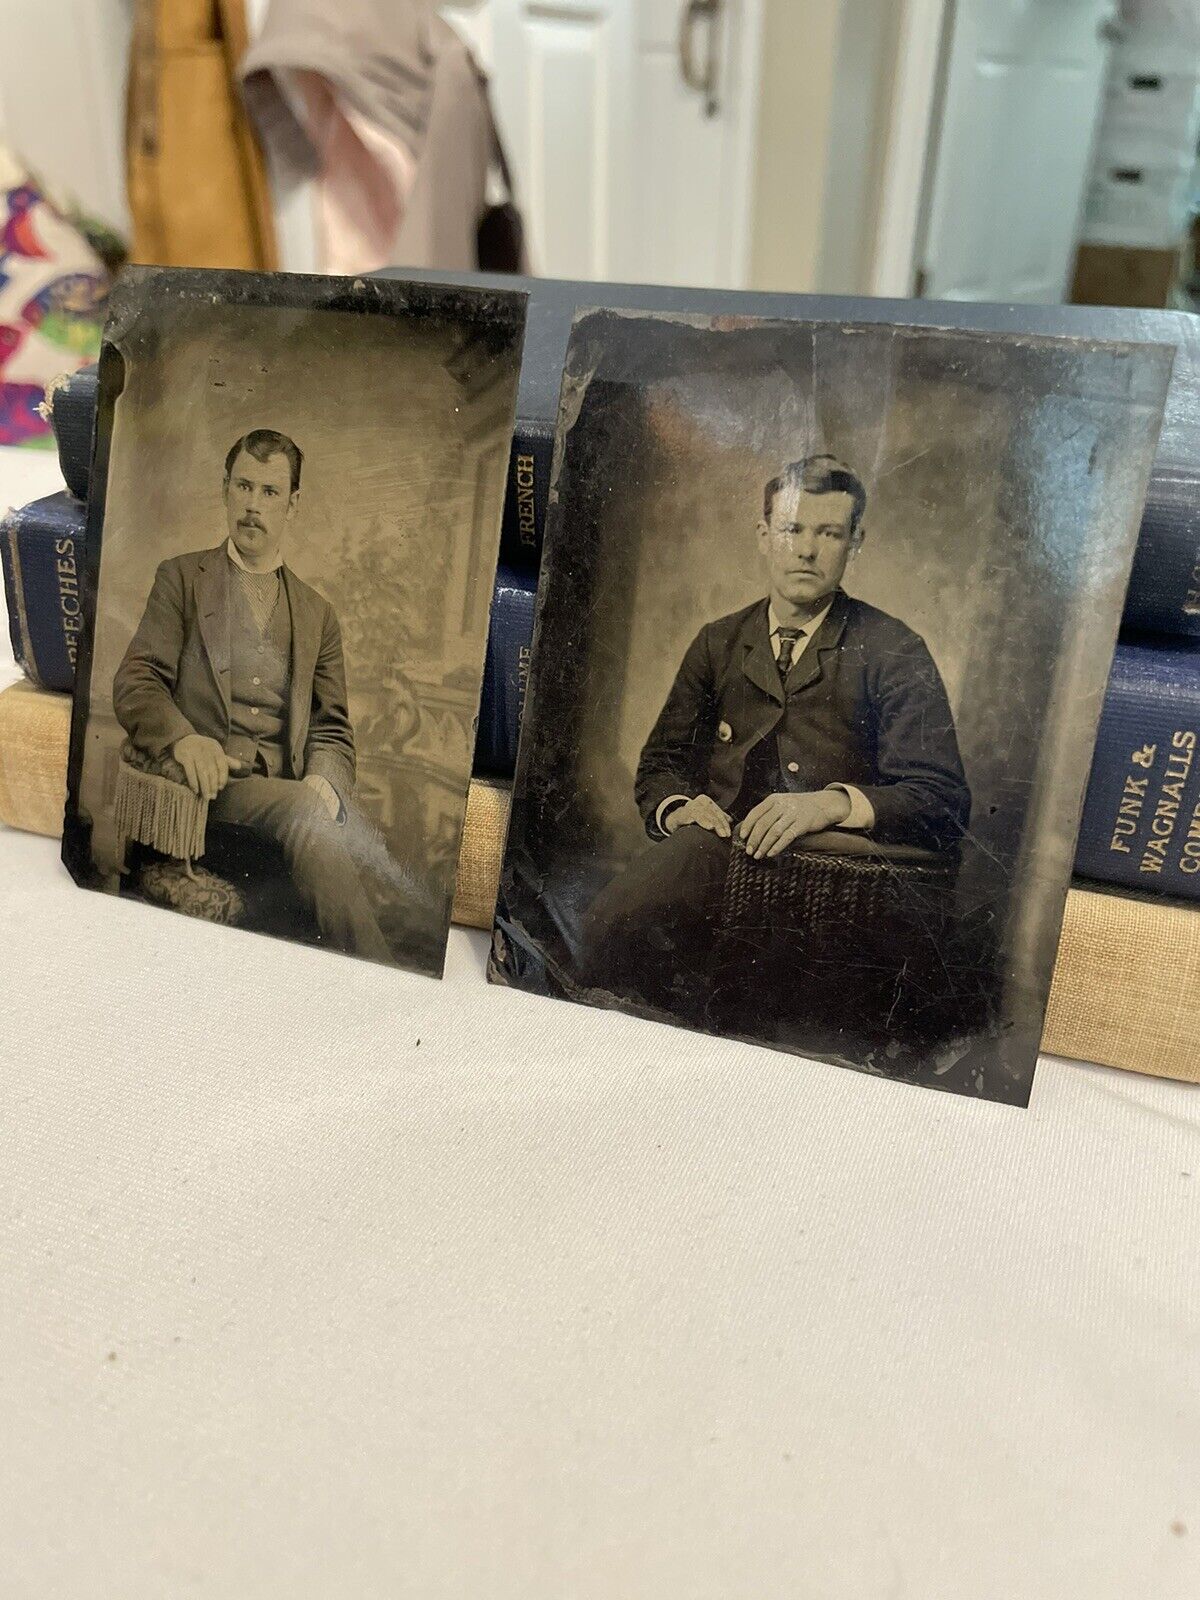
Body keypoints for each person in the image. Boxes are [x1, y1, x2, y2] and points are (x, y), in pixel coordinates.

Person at [580, 453, 971, 1011]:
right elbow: (661, 764)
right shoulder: (718, 640)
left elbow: (943, 801)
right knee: (611, 934)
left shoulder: (894, 649)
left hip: (836, 892)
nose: (807, 550)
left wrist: (830, 805)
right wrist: (680, 808)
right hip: (714, 864)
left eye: (829, 533)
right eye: (791, 529)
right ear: (765, 536)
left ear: (855, 543)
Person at [112, 428, 391, 962]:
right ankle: (377, 971)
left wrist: (325, 781)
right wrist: (184, 740)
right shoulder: (181, 580)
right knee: (310, 819)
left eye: (268, 492)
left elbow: (332, 728)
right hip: (206, 797)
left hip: (285, 798)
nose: (252, 506)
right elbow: (136, 679)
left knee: (324, 820)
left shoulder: (317, 614)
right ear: (224, 490)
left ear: (293, 503)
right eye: (243, 487)